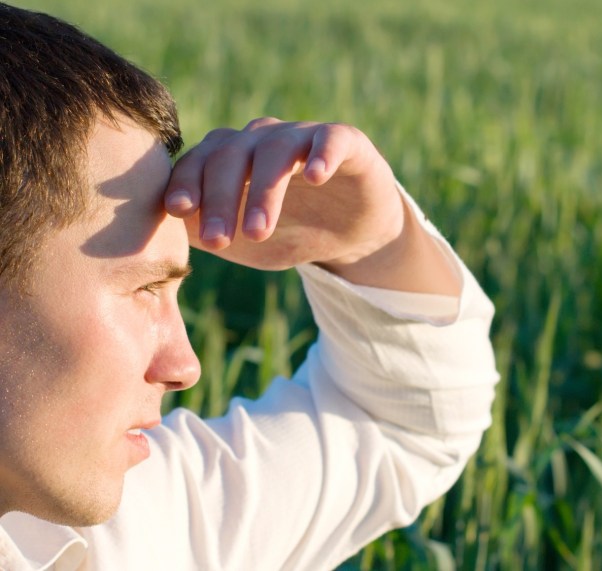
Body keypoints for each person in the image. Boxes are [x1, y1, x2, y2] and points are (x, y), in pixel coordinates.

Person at [0, 2, 499, 570]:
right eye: (144, 290)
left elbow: (405, 424)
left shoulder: (135, 530)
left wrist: (371, 246)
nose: (185, 366)